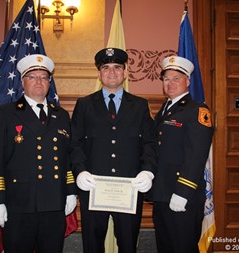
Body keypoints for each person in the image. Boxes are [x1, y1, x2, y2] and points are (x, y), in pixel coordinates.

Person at [0, 54, 77, 253]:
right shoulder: (6, 113)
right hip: (18, 204)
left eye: (44, 77)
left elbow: (66, 158)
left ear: (49, 82)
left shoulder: (60, 115)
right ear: (22, 82)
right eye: (32, 77)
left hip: (53, 203)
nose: (38, 82)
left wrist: (70, 191)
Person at [70, 47, 157, 253]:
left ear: (125, 72)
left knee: (128, 245)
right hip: (93, 188)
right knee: (92, 245)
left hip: (129, 188)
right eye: (106, 67)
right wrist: (79, 170)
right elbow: (75, 143)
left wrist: (148, 170)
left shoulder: (140, 105)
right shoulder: (84, 105)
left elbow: (150, 143)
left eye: (117, 67)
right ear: (99, 73)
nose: (112, 72)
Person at [147, 56, 214, 252]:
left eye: (176, 78)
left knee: (182, 247)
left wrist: (182, 192)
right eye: (166, 79)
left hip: (182, 195)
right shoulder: (165, 110)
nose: (170, 83)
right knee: (165, 245)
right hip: (162, 193)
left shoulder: (198, 110)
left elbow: (197, 155)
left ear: (188, 81)